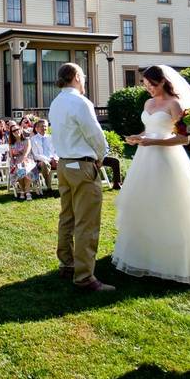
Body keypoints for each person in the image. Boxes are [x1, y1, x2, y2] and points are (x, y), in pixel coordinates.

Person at [113, 65, 190, 287]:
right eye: (145, 85)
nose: (149, 89)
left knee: (169, 206)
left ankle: (172, 260)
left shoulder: (175, 104)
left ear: (163, 82)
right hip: (145, 159)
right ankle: (144, 255)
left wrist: (153, 141)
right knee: (144, 205)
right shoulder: (148, 103)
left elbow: (183, 139)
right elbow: (150, 128)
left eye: (152, 85)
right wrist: (139, 136)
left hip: (167, 160)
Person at [49, 62, 113, 292]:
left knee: (67, 217)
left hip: (65, 165)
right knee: (86, 222)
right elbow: (95, 134)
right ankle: (85, 276)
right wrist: (101, 156)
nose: (84, 79)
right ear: (76, 76)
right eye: (83, 75)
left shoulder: (55, 103)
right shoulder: (80, 102)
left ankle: (67, 264)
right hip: (82, 166)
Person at [8, 125, 40, 201]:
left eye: (17, 129)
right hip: (16, 161)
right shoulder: (11, 144)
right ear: (11, 133)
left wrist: (22, 162)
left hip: (28, 159)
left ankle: (26, 191)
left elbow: (26, 153)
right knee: (18, 168)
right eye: (13, 131)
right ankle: (23, 190)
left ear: (21, 129)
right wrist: (13, 162)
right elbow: (11, 156)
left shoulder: (27, 140)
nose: (16, 131)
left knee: (25, 168)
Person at [30, 119, 59, 190]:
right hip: (40, 162)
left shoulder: (51, 137)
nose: (44, 128)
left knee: (63, 163)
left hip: (53, 160)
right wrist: (49, 160)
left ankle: (63, 187)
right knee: (45, 164)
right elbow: (35, 155)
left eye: (46, 126)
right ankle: (49, 187)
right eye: (42, 126)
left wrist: (55, 158)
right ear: (37, 128)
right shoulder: (33, 139)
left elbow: (56, 151)